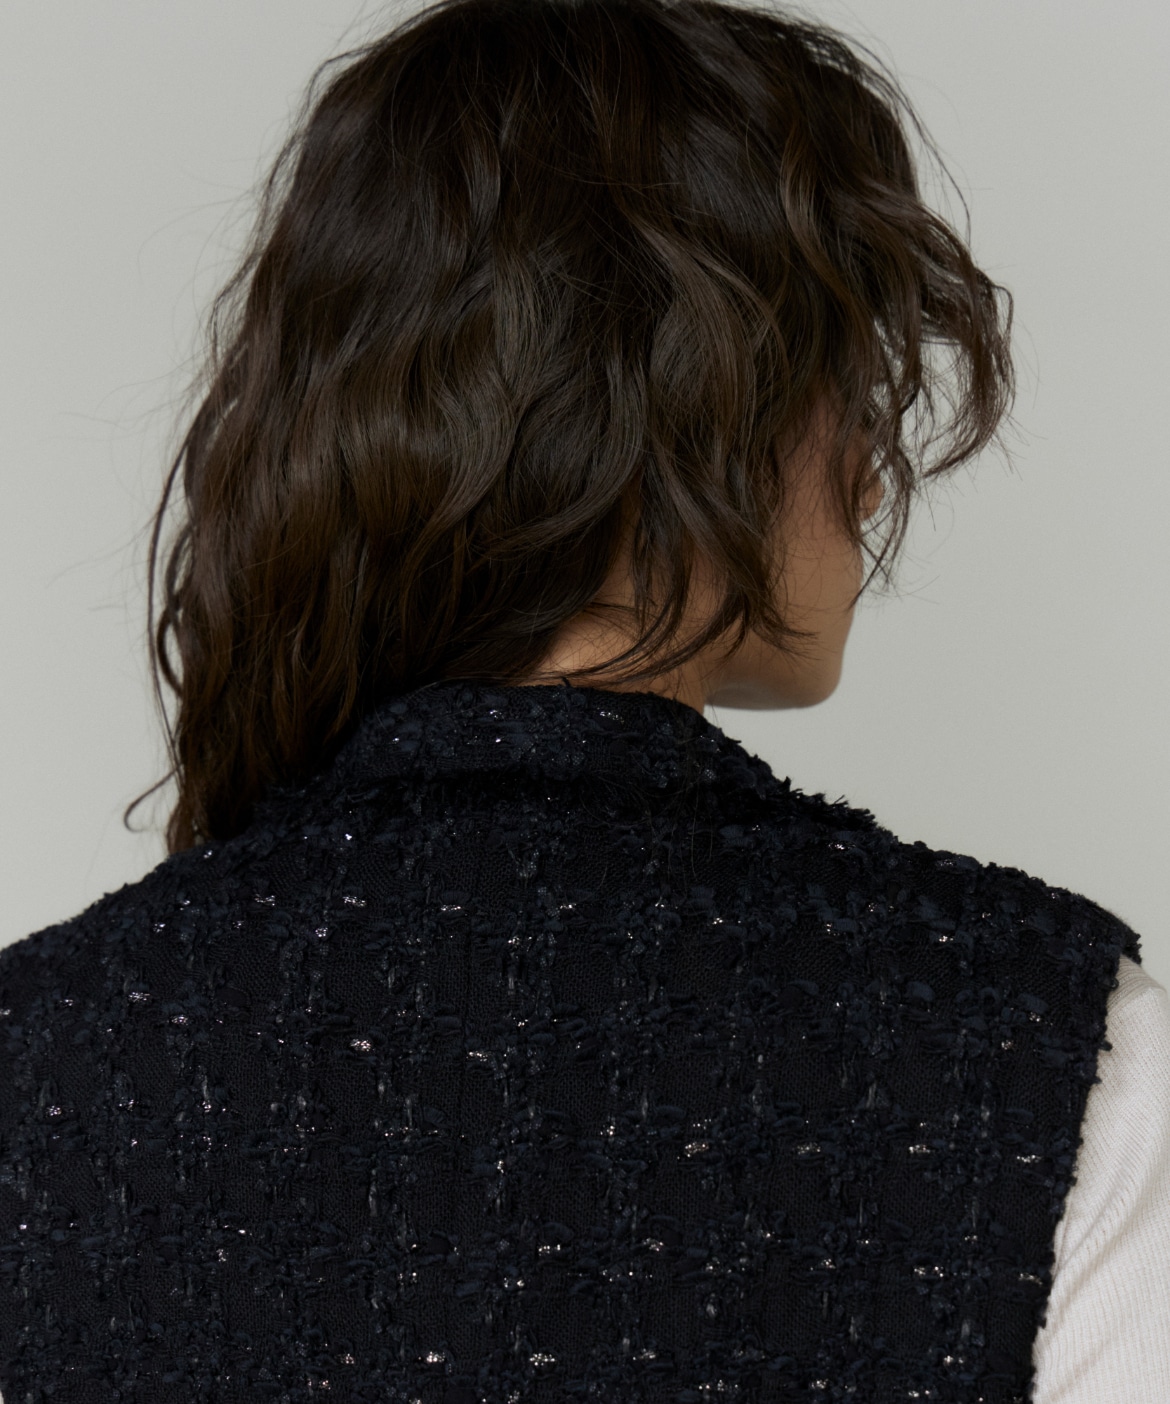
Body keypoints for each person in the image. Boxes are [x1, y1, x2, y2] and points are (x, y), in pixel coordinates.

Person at [0, 0, 1166, 1398]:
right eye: (850, 380)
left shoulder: (44, 1050)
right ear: (700, 397)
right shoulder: (1053, 1041)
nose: (870, 471)